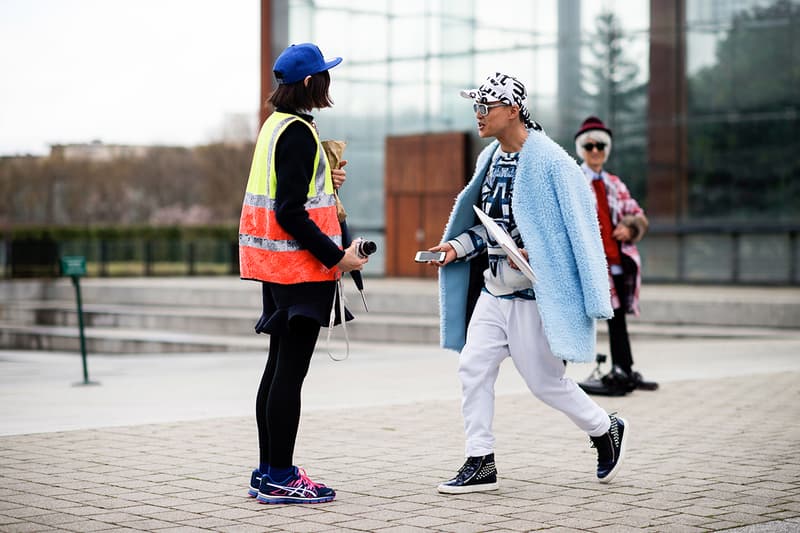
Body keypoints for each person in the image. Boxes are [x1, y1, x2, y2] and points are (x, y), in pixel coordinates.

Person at [426, 72, 629, 494]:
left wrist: (545, 256)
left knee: (545, 383)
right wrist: (456, 248)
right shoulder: (490, 159)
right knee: (473, 368)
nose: (478, 114)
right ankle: (480, 460)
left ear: (513, 110)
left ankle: (604, 427)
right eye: (476, 107)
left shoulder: (554, 163)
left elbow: (581, 232)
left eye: (486, 107)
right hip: (493, 290)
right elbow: (488, 227)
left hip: (535, 295)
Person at [238, 42, 367, 504]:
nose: (328, 83)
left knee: (277, 370)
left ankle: (267, 471)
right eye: (325, 75)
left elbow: (291, 194)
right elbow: (290, 211)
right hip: (301, 269)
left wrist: (327, 180)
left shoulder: (276, 125)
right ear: (311, 82)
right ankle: (281, 476)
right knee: (289, 375)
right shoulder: (297, 132)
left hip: (277, 267)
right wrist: (337, 258)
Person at [573, 116, 659, 396]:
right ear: (581, 149)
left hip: (617, 262)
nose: (595, 151)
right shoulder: (574, 180)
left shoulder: (614, 183)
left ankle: (623, 368)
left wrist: (630, 227)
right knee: (578, 316)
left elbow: (637, 213)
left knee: (617, 316)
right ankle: (556, 376)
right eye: (589, 146)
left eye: (600, 146)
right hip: (590, 263)